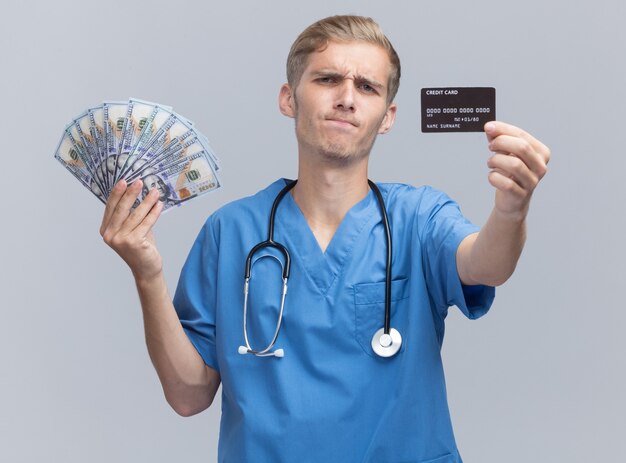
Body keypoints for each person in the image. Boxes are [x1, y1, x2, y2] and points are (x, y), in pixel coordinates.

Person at [99, 15, 550, 463]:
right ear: (288, 98)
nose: (347, 98)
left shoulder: (419, 218)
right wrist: (147, 273)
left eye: (368, 87)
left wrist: (511, 210)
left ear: (388, 117)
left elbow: (486, 265)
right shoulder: (231, 232)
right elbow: (188, 394)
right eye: (328, 79)